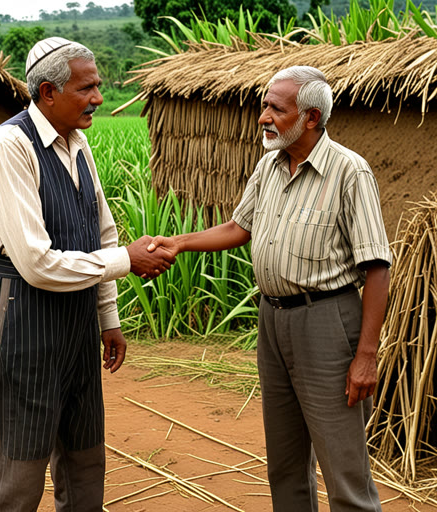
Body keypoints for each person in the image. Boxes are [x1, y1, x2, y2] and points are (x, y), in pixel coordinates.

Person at [148, 65, 391, 511]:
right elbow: (240, 227)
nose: (263, 117)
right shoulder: (269, 166)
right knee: (285, 462)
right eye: (265, 106)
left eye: (276, 109)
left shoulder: (349, 172)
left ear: (311, 117)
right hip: (273, 321)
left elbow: (377, 268)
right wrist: (179, 242)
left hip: (328, 324)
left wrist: (366, 356)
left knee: (344, 469)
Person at [0, 37, 175, 511]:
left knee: (86, 460)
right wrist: (129, 260)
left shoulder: (78, 143)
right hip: (25, 316)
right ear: (47, 92)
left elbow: (101, 232)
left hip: (78, 320)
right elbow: (37, 263)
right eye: (87, 88)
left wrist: (108, 318)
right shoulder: (9, 146)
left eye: (98, 86)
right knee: (21, 471)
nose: (99, 99)